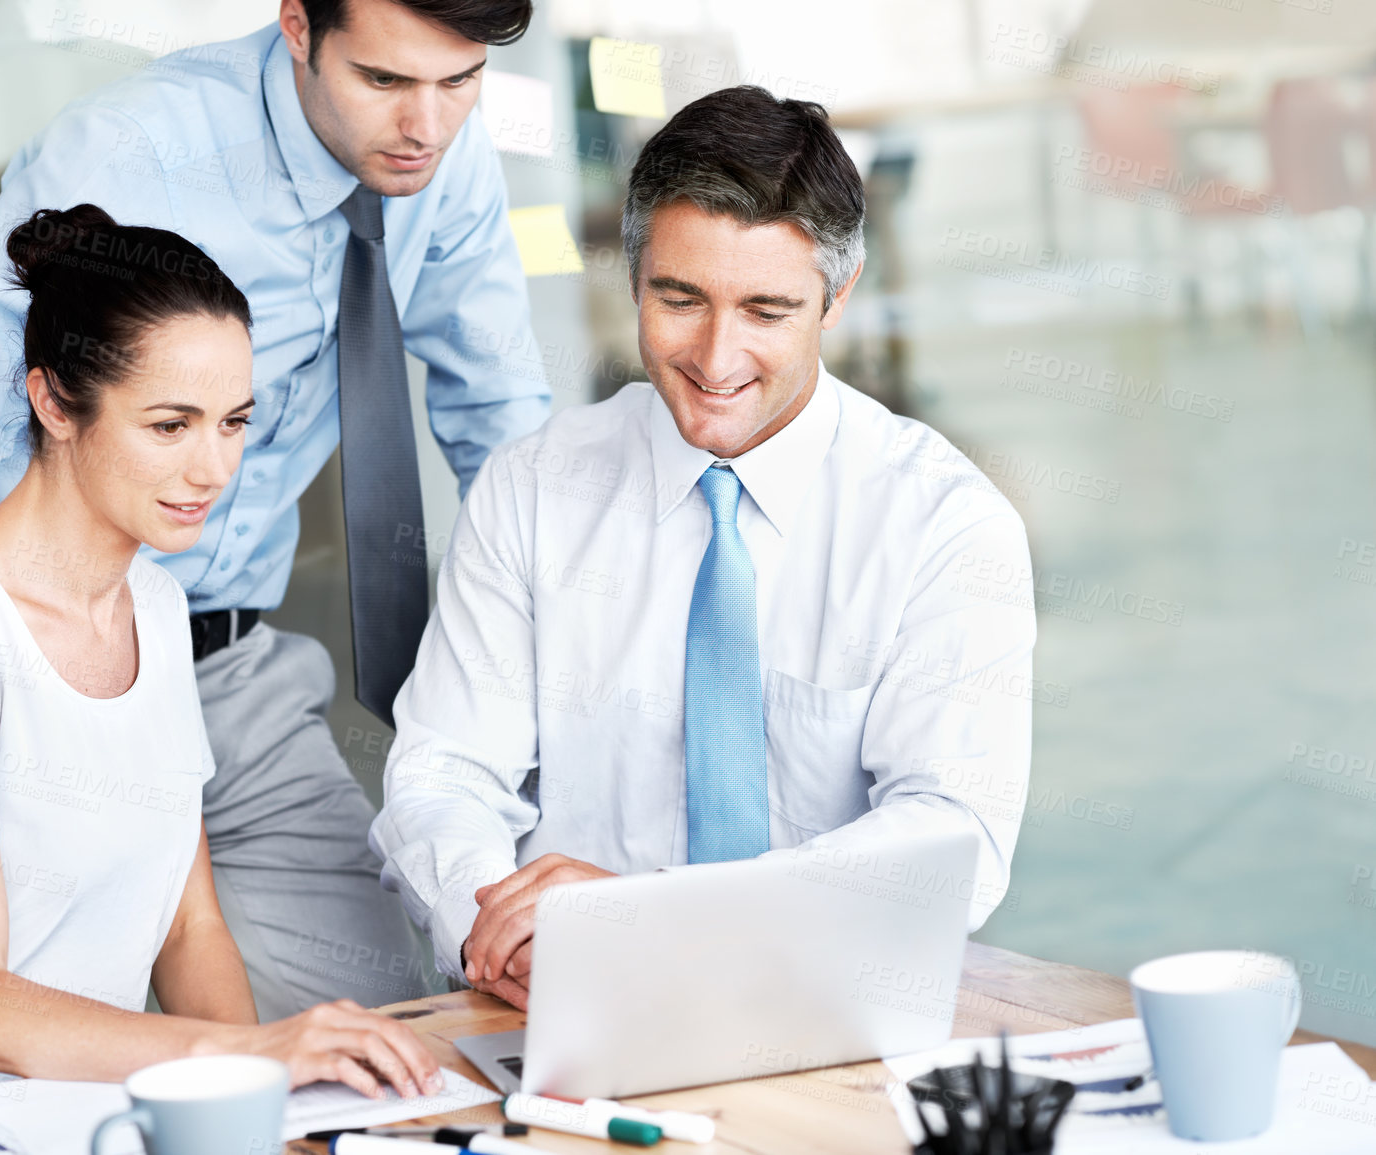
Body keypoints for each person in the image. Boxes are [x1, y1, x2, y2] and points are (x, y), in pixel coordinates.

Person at [0, 0, 551, 1019]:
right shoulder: (126, 156)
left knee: (378, 1034)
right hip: (30, 678)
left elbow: (499, 414)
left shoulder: (439, 160)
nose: (425, 123)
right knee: (32, 1049)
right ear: (298, 28)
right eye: (384, 81)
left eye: (460, 81)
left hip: (232, 667)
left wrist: (560, 653)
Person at [0, 205, 441, 1131]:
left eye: (233, 422)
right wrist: (250, 1052)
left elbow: (187, 926)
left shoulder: (158, 610)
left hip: (66, 1116)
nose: (213, 467)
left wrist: (253, 1111)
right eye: (170, 425)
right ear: (53, 402)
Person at [369, 85, 1038, 1011]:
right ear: (633, 275)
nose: (716, 359)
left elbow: (948, 837)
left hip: (825, 1001)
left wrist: (664, 924)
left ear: (836, 297)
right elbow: (445, 772)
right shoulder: (532, 490)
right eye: (678, 299)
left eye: (766, 311)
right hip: (570, 1001)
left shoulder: (944, 524)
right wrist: (497, 923)